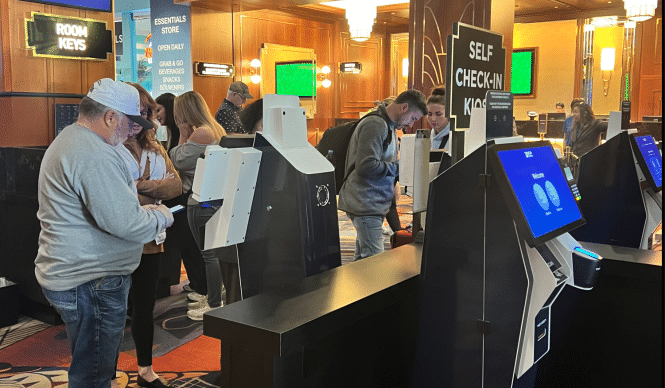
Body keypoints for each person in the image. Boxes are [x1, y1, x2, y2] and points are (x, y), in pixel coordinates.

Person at [35, 78, 174, 388]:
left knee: (93, 363)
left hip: (81, 276)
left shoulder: (75, 140)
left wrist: (138, 214)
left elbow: (113, 214)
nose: (132, 132)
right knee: (93, 374)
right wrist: (162, 216)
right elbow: (126, 224)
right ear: (111, 116)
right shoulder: (93, 152)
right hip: (91, 282)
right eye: (129, 123)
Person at [118, 83, 181, 388]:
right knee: (114, 310)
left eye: (146, 111)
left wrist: (143, 186)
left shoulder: (156, 148)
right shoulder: (111, 147)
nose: (141, 117)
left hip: (152, 240)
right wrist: (155, 186)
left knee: (145, 307)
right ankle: (104, 370)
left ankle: (145, 369)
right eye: (136, 110)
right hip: (117, 243)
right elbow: (118, 197)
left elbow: (175, 187)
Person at [338, 89, 427, 261]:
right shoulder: (376, 125)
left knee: (364, 260)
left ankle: (357, 287)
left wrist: (395, 224)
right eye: (413, 118)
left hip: (372, 203)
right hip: (365, 204)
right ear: (404, 108)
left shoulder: (389, 126)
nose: (410, 124)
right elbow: (365, 166)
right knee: (373, 261)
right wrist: (400, 168)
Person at [169, 91, 230, 320]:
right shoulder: (214, 128)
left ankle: (213, 302)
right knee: (212, 253)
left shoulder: (202, 132)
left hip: (203, 199)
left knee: (209, 255)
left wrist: (183, 134)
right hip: (212, 197)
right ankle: (213, 296)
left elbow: (175, 160)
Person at [426, 87, 450, 151]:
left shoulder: (456, 137)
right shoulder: (430, 135)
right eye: (429, 114)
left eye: (438, 114)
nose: (433, 119)